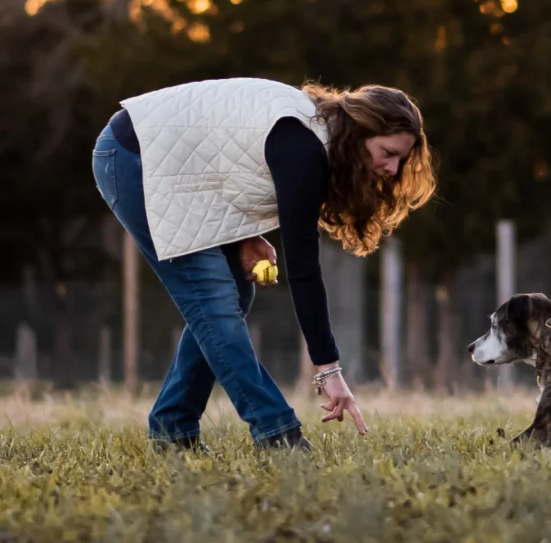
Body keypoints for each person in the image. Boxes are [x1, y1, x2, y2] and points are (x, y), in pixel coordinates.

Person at [92, 77, 434, 449]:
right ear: (360, 132)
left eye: (401, 158)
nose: (394, 169)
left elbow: (227, 157)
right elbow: (304, 272)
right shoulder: (304, 147)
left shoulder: (319, 137)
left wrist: (247, 233)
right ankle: (276, 432)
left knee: (235, 294)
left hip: (181, 170)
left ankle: (173, 428)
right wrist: (329, 370)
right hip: (136, 156)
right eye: (388, 152)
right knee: (214, 302)